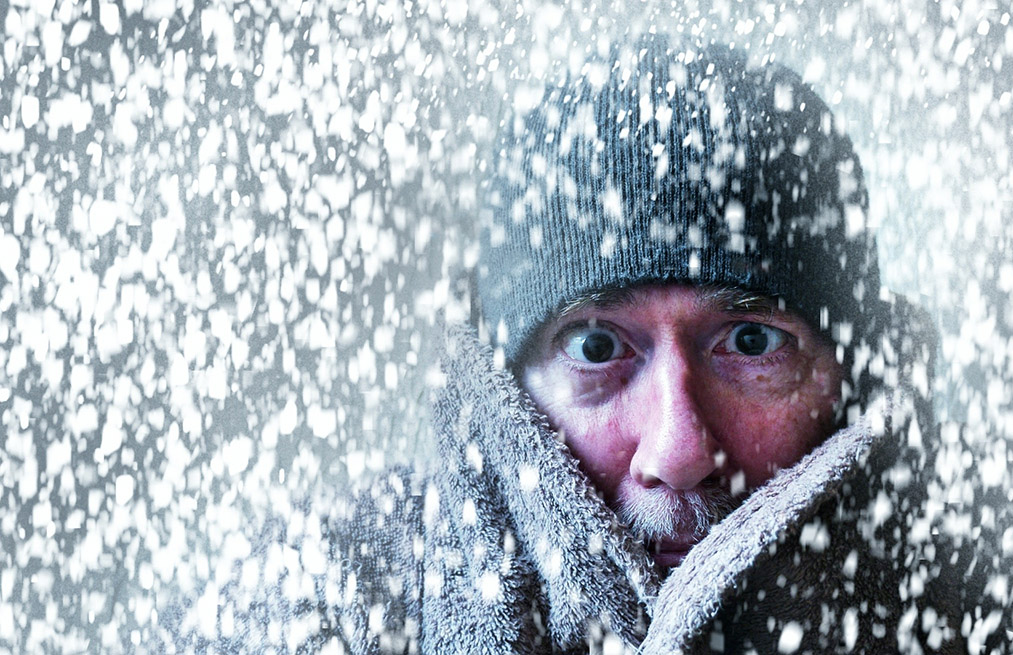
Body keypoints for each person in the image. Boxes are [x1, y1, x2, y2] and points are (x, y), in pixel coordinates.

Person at [166, 36, 959, 654]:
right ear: (503, 396)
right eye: (594, 348)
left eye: (751, 342)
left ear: (855, 376)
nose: (679, 448)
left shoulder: (990, 613)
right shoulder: (328, 606)